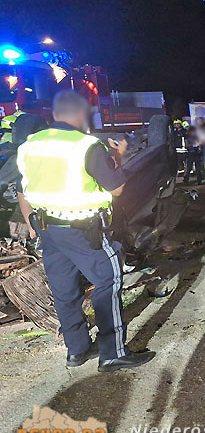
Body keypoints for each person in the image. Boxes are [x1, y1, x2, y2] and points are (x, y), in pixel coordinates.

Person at [16, 90, 155, 372]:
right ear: (82, 115)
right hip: (81, 229)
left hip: (48, 229)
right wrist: (118, 155)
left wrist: (31, 221)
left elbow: (22, 188)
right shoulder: (87, 146)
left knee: (64, 291)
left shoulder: (31, 145)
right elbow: (115, 187)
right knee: (109, 279)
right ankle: (113, 353)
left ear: (55, 115)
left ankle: (77, 351)